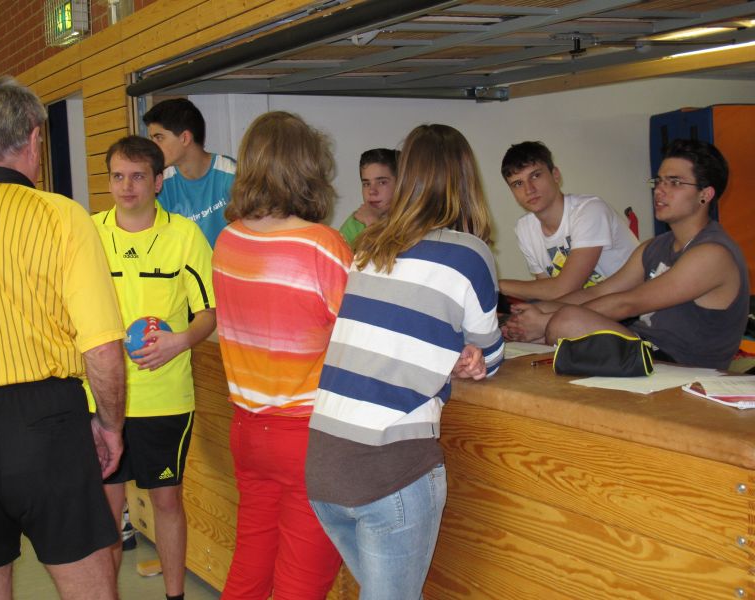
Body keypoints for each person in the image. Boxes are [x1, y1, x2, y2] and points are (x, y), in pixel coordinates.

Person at [306, 124, 505, 599]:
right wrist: (471, 357)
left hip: (324, 466)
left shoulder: (369, 245)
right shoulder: (470, 254)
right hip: (389, 469)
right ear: (466, 179)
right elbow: (490, 353)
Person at [0, 77, 125, 600]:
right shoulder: (62, 217)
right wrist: (110, 425)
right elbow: (101, 348)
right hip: (47, 424)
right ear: (34, 140)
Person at [213, 111, 351, 599]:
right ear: (308, 166)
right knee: (301, 584)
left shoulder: (228, 240)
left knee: (249, 569)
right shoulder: (322, 247)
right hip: (307, 439)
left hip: (248, 431)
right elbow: (359, 339)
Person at [88, 135, 217, 600]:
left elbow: (209, 312)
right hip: (102, 399)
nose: (127, 186)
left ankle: (174, 596)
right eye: (118, 176)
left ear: (158, 181)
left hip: (165, 399)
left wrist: (179, 341)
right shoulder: (89, 234)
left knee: (167, 501)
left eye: (138, 176)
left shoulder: (184, 236)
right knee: (106, 511)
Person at [506, 139, 748, 370]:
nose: (660, 190)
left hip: (681, 364)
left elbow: (629, 302)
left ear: (705, 194)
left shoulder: (713, 253)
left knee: (566, 324)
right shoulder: (653, 247)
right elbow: (598, 292)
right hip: (644, 345)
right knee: (526, 330)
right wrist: (531, 313)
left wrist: (545, 320)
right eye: (659, 181)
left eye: (674, 182)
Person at [498, 141, 637, 301]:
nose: (529, 189)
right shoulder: (525, 228)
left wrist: (497, 285)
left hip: (637, 309)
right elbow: (547, 293)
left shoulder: (590, 211)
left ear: (555, 175)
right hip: (592, 309)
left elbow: (563, 290)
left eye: (535, 176)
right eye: (518, 184)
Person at [143, 98, 236, 246]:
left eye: (159, 138)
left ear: (185, 138)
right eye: (152, 138)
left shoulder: (231, 174)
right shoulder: (161, 185)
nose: (153, 147)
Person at [339, 148, 399, 247]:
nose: (372, 191)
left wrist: (373, 225)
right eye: (366, 184)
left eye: (381, 182)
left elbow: (398, 256)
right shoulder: (355, 223)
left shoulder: (411, 222)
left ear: (401, 184)